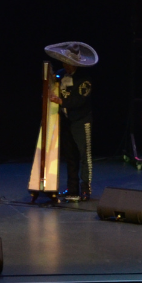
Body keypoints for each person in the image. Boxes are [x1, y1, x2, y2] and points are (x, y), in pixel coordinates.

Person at [45, 42, 98, 201]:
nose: (64, 65)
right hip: (67, 121)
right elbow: (52, 85)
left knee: (84, 155)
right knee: (70, 156)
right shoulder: (61, 74)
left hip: (81, 121)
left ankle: (85, 189)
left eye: (67, 63)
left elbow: (78, 100)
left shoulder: (84, 79)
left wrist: (60, 101)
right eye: (63, 62)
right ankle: (72, 189)